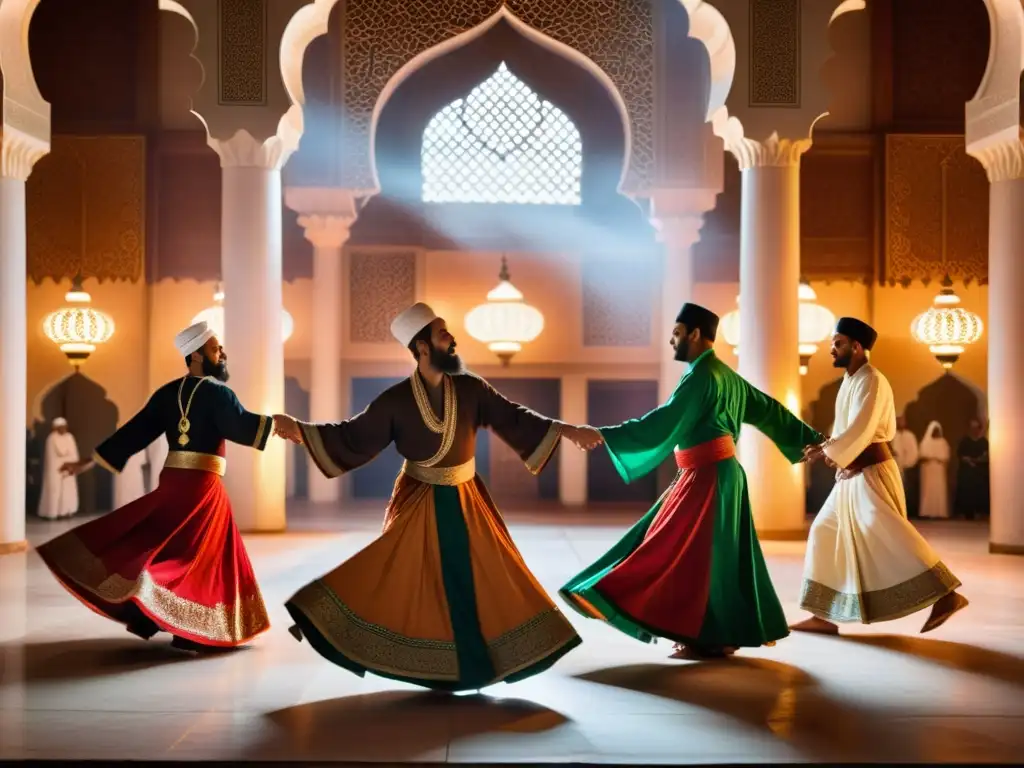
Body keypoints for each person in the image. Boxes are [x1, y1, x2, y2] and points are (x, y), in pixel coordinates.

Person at [272, 303, 598, 691]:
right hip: (419, 500)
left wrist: (567, 430)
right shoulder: (395, 400)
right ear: (423, 346)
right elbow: (352, 435)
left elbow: (514, 417)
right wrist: (303, 431)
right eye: (443, 334)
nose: (452, 338)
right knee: (397, 574)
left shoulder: (472, 388)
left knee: (489, 577)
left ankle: (479, 661)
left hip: (467, 498)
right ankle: (326, 621)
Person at [558, 303, 825, 661]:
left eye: (677, 333)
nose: (672, 340)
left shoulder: (701, 376)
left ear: (696, 334)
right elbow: (769, 409)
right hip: (722, 474)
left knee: (684, 553)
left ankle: (702, 635)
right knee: (716, 555)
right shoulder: (725, 375)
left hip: (708, 475)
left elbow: (665, 420)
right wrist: (808, 439)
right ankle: (719, 634)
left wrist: (605, 435)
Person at [37, 321, 276, 653]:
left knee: (160, 546)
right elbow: (242, 425)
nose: (222, 353)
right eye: (215, 348)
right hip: (203, 488)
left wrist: (85, 462)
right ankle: (187, 627)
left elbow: (132, 434)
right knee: (197, 558)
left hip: (172, 482)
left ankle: (155, 613)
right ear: (195, 355)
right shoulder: (220, 394)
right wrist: (281, 426)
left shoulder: (166, 394)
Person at [794, 317, 968, 636]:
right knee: (823, 530)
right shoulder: (851, 380)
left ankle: (946, 594)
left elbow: (861, 428)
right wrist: (824, 447)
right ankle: (822, 615)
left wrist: (827, 452)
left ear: (857, 347)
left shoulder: (872, 379)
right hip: (851, 474)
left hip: (872, 471)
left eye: (838, 343)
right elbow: (846, 431)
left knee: (888, 531)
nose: (832, 349)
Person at [37, 417, 80, 520]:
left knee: (68, 490)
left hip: (68, 468)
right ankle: (52, 513)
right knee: (54, 490)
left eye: (65, 426)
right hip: (55, 469)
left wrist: (72, 465)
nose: (63, 429)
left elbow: (74, 453)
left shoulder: (70, 437)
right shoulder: (51, 438)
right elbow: (52, 457)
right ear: (56, 428)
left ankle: (66, 511)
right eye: (61, 427)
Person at [954, 418, 990, 520]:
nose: (974, 430)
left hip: (980, 473)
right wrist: (969, 461)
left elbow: (986, 455)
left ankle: (980, 512)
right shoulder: (964, 441)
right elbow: (960, 455)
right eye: (972, 427)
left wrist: (977, 460)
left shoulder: (984, 442)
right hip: (967, 472)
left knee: (980, 492)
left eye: (976, 428)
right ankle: (967, 513)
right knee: (967, 492)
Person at [918, 421, 951, 520]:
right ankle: (927, 512)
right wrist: (930, 458)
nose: (936, 433)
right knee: (929, 490)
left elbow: (946, 457)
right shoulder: (925, 442)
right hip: (929, 470)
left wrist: (938, 459)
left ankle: (939, 513)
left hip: (939, 470)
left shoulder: (943, 442)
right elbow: (922, 456)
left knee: (939, 490)